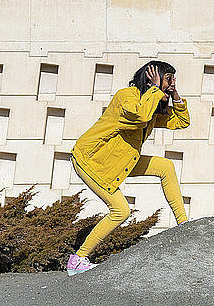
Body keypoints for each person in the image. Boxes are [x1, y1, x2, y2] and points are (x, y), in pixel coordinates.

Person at [66, 61, 190, 276]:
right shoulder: (128, 96)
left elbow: (182, 121)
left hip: (119, 160)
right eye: (168, 78)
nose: (172, 83)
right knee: (121, 211)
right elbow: (139, 116)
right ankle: (78, 259)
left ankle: (184, 225)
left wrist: (175, 94)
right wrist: (154, 88)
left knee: (165, 166)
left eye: (174, 79)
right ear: (153, 77)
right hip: (92, 160)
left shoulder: (152, 104)